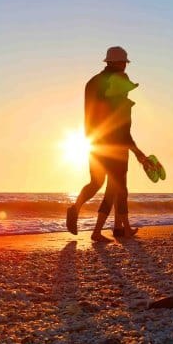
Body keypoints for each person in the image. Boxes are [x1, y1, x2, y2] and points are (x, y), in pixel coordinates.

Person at [66, 46, 148, 242]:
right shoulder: (117, 94)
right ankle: (105, 231)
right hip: (113, 145)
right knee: (117, 187)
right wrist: (138, 153)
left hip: (93, 140)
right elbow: (123, 131)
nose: (125, 69)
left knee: (96, 182)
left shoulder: (92, 82)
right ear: (118, 64)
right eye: (124, 64)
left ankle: (76, 207)